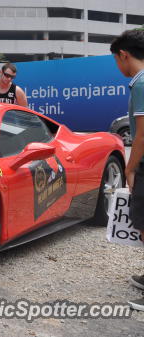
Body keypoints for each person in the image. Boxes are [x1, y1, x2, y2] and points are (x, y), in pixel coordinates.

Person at [110, 29, 144, 311]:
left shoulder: (141, 82)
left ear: (124, 54)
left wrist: (130, 169)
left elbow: (143, 135)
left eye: (116, 60)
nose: (117, 66)